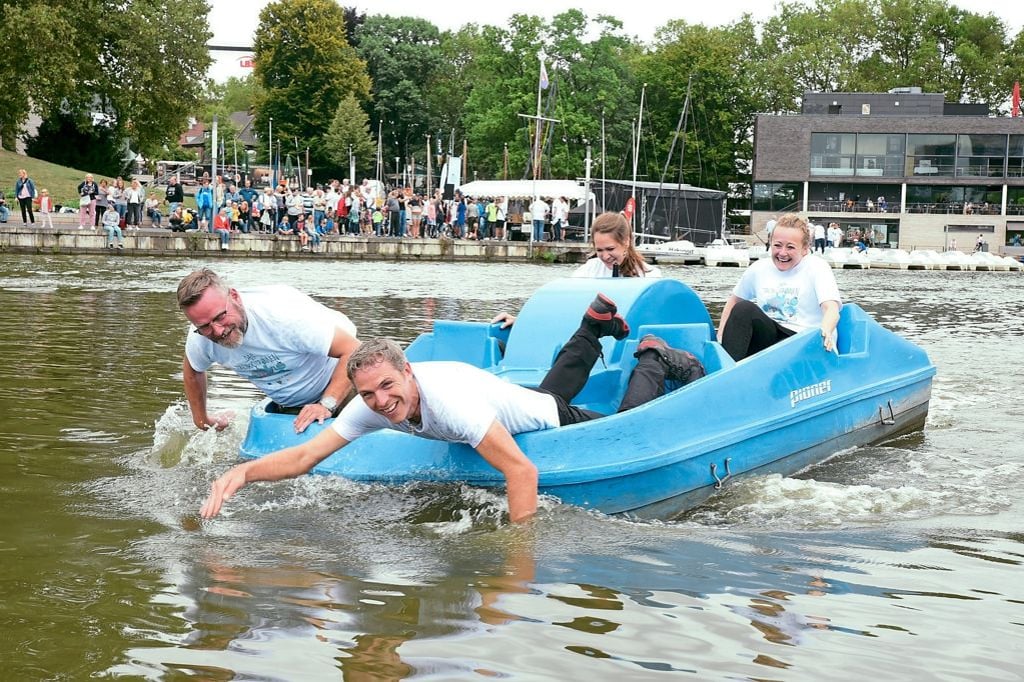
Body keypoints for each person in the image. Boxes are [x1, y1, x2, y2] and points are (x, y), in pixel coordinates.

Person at [199, 295, 705, 522]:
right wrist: (242, 474)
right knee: (548, 393)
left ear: (409, 372)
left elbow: (521, 472)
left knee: (623, 420)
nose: (381, 403)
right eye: (369, 394)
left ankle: (653, 358)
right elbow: (306, 456)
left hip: (543, 420)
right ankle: (591, 328)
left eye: (388, 387)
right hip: (515, 399)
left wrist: (518, 557)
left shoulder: (451, 405)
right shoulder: (373, 404)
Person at [177, 268, 361, 435]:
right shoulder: (199, 337)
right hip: (292, 404)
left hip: (347, 382)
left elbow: (353, 350)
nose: (217, 331)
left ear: (234, 296)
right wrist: (202, 420)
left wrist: (326, 404)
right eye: (204, 326)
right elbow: (193, 370)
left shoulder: (283, 314)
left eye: (220, 317)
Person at [492, 212, 661, 329]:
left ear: (626, 241)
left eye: (610, 249)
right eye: (599, 250)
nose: (605, 256)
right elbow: (563, 302)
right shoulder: (589, 269)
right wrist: (522, 320)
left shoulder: (650, 276)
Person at [717, 213, 841, 361]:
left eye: (790, 247)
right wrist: (720, 337)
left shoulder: (817, 267)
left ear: (805, 249)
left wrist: (826, 331)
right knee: (743, 308)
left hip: (804, 342)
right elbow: (734, 301)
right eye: (777, 245)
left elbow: (831, 309)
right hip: (771, 339)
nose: (782, 253)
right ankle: (727, 367)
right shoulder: (758, 268)